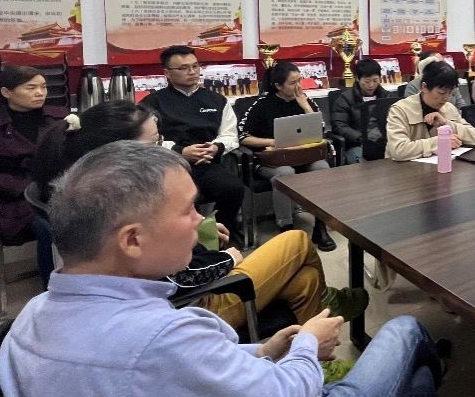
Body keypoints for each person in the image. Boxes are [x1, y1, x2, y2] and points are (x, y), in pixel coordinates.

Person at [0, 141, 475, 397]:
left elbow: (180, 380)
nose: (201, 222)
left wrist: (266, 349)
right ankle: (438, 383)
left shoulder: (35, 317)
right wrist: (305, 346)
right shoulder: (158, 340)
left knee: (414, 389)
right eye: (189, 211)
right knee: (406, 331)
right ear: (132, 239)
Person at [31, 100, 366, 344]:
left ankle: (312, 350)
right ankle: (322, 319)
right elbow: (181, 278)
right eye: (155, 142)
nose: (163, 148)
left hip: (187, 293)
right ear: (122, 151)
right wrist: (228, 259)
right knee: (296, 241)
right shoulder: (126, 210)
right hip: (196, 304)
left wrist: (199, 231)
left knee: (305, 280)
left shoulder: (93, 194)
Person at [0, 64, 67, 285]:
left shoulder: (59, 118)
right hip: (16, 201)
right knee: (50, 226)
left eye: (43, 87)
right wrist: (26, 188)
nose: (40, 93)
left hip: (60, 191)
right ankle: (53, 289)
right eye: (31, 88)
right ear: (7, 92)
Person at [141, 46, 245, 239]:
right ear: (167, 73)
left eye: (195, 66)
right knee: (184, 198)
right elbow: (144, 141)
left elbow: (230, 135)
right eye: (183, 68)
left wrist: (216, 147)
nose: (192, 72)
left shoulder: (216, 100)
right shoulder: (152, 103)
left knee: (233, 189)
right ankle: (192, 242)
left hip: (206, 163)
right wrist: (180, 151)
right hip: (170, 167)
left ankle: (222, 235)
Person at [238, 62, 335, 251]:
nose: (298, 86)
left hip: (303, 156)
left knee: (322, 167)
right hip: (273, 160)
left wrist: (305, 106)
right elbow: (243, 137)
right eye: (292, 82)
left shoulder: (305, 100)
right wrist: (273, 142)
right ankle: (286, 227)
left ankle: (320, 225)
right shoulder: (262, 105)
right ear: (278, 85)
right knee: (285, 173)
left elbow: (320, 131)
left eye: (300, 80)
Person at [386, 62, 475, 161]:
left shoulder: (449, 107)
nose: (446, 98)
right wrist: (440, 142)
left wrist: (446, 123)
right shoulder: (400, 110)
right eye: (442, 92)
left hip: (441, 165)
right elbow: (398, 150)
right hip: (403, 169)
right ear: (424, 87)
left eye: (450, 92)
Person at [329, 58, 397, 163]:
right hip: (357, 144)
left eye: (375, 80)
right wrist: (362, 138)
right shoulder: (345, 99)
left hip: (384, 141)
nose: (371, 85)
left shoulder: (387, 97)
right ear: (357, 78)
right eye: (367, 81)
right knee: (363, 162)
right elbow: (339, 126)